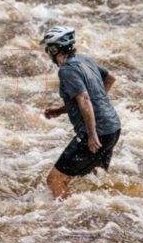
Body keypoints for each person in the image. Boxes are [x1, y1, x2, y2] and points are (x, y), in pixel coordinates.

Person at [41, 26, 121, 200]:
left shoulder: (66, 71)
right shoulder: (85, 59)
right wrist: (61, 110)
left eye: (48, 49)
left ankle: (68, 219)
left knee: (55, 181)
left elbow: (84, 99)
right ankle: (100, 214)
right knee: (93, 179)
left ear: (54, 50)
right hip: (113, 129)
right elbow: (109, 79)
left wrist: (92, 135)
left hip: (97, 133)